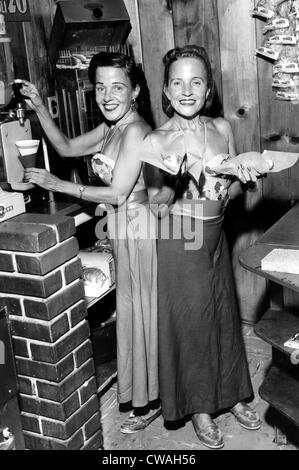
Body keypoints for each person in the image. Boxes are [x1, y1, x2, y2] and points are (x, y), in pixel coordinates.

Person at [20, 51, 161, 434]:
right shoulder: (110, 127)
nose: (108, 95)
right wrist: (38, 109)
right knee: (131, 315)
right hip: (120, 229)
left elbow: (117, 193)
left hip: (139, 229)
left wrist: (57, 184)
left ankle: (152, 400)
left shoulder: (136, 130)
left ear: (135, 91)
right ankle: (143, 396)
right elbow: (65, 147)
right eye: (100, 87)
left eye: (118, 87)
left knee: (144, 317)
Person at [142, 45, 261, 450]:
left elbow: (226, 190)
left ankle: (231, 396)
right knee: (193, 324)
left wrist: (240, 178)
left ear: (208, 89)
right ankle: (200, 408)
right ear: (165, 90)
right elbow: (156, 210)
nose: (187, 90)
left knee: (224, 317)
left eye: (196, 81)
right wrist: (173, 179)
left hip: (216, 236)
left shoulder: (223, 128)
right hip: (181, 239)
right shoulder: (157, 140)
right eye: (178, 82)